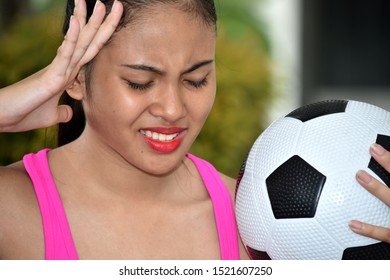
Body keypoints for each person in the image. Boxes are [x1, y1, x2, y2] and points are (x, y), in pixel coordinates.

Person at [0, 0, 388, 260]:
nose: (172, 110)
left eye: (196, 79)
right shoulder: (12, 211)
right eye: (140, 82)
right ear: (75, 79)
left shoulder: (257, 221)